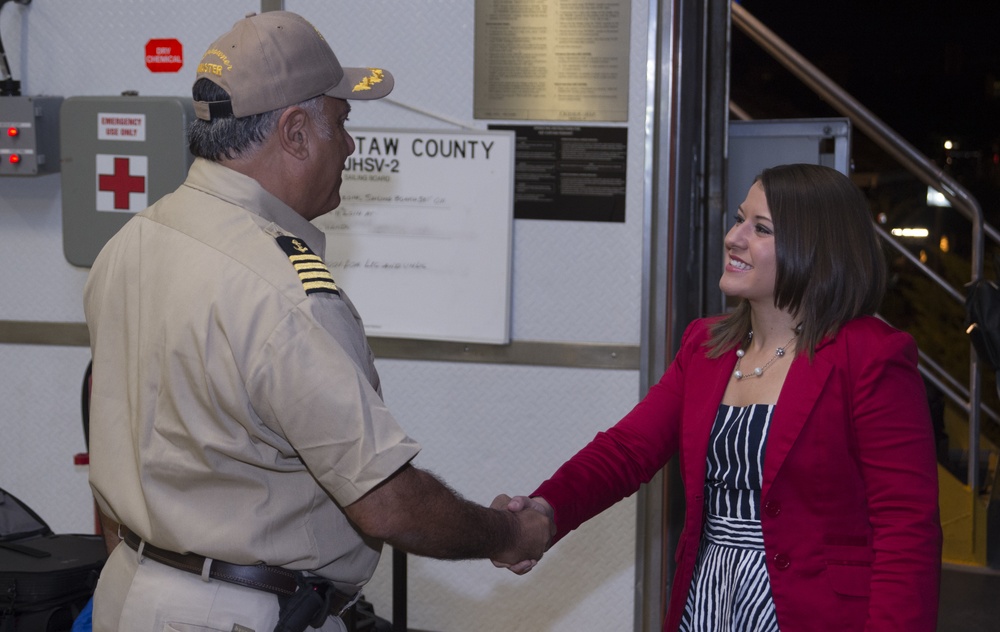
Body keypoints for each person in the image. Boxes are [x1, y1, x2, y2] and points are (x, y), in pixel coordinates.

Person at [83, 11, 550, 632]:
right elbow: (385, 502)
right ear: (296, 132)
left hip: (130, 591)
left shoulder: (131, 243)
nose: (351, 145)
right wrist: (508, 532)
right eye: (342, 122)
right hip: (236, 612)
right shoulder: (282, 290)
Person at [496, 163, 942, 630]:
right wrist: (547, 510)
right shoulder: (706, 345)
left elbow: (906, 531)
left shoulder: (872, 355)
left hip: (815, 613)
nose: (734, 236)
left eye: (761, 228)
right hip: (709, 602)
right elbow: (625, 451)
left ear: (816, 249)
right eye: (738, 218)